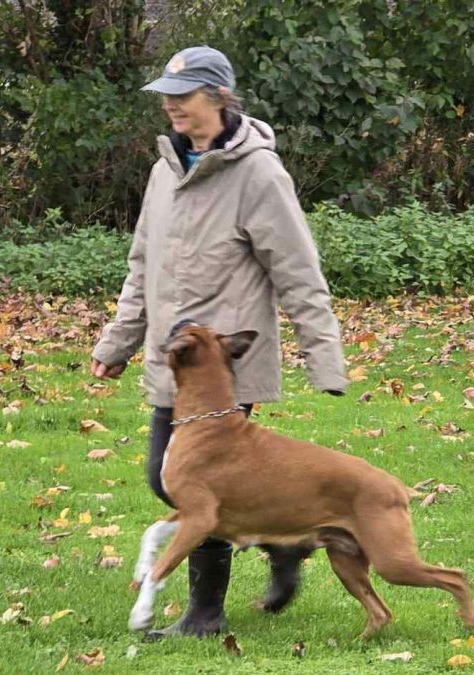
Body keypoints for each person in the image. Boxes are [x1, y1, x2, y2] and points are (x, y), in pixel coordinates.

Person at [90, 45, 348, 640]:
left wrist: (324, 359)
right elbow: (142, 266)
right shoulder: (164, 170)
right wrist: (117, 342)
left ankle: (205, 613)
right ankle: (283, 538)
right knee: (166, 478)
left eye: (183, 96)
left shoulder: (259, 174)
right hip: (171, 358)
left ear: (219, 97)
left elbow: (298, 272)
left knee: (192, 484)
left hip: (221, 363)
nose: (172, 106)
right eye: (166, 96)